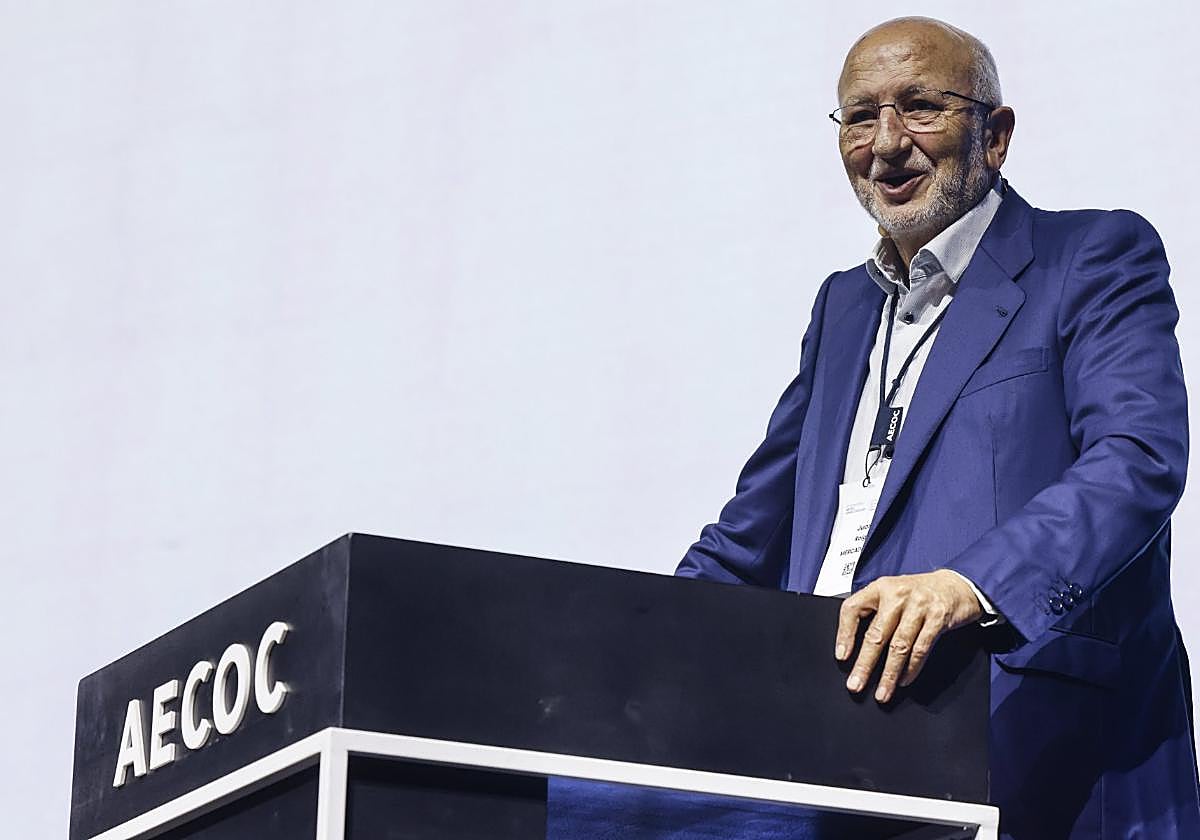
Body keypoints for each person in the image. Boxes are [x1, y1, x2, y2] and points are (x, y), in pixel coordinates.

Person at [676, 16, 1200, 838]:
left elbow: (1136, 461)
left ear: (994, 136)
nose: (885, 143)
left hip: (1017, 743)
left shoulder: (1093, 256)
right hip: (822, 749)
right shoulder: (842, 307)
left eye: (920, 107)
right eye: (860, 116)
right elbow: (751, 533)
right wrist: (622, 638)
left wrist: (970, 585)